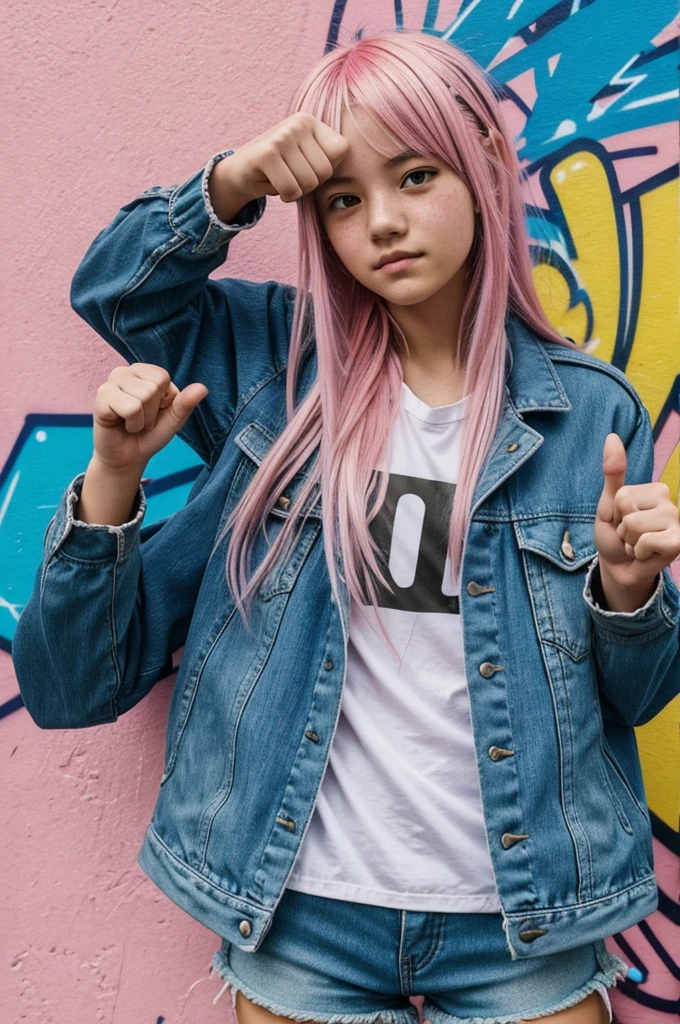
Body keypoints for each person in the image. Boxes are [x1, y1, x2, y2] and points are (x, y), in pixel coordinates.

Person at [13, 28, 680, 1024]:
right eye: (341, 199)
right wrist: (232, 182)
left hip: (521, 913)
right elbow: (113, 288)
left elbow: (633, 695)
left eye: (414, 176)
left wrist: (627, 597)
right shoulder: (275, 369)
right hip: (302, 902)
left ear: (484, 166)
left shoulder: (592, 415)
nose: (381, 223)